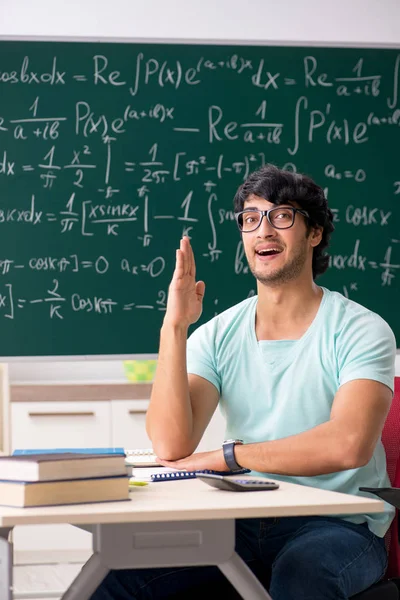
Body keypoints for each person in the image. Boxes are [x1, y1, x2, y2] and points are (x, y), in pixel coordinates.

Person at [91, 164, 396, 600]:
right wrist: (174, 327)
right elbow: (172, 446)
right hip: (241, 514)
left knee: (302, 573)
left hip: (339, 523)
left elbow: (347, 445)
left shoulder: (362, 330)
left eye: (282, 216)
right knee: (120, 575)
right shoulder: (217, 334)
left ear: (314, 234)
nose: (264, 230)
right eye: (251, 218)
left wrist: (229, 456)